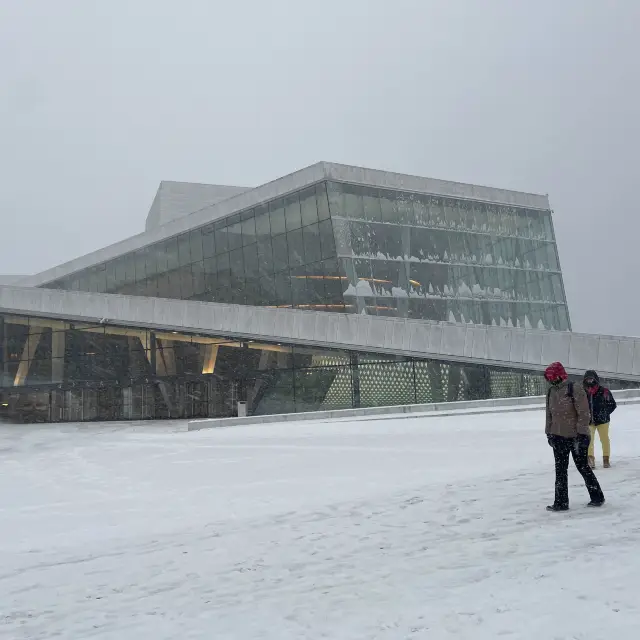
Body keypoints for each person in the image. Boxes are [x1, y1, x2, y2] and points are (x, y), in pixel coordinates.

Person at [544, 361, 605, 511]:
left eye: (552, 377)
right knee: (560, 471)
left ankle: (597, 497)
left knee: (582, 467)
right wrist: (548, 433)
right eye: (549, 378)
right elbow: (549, 415)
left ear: (559, 375)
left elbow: (584, 413)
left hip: (577, 437)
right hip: (558, 437)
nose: (551, 380)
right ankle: (561, 502)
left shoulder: (574, 388)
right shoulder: (551, 391)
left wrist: (581, 435)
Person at [583, 370, 617, 469]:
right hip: (589, 421)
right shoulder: (583, 393)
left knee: (604, 439)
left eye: (591, 379)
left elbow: (612, 404)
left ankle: (606, 459)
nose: (589, 381)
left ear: (595, 379)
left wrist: (605, 413)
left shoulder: (604, 391)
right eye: (587, 379)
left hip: (603, 421)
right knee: (589, 440)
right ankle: (590, 460)